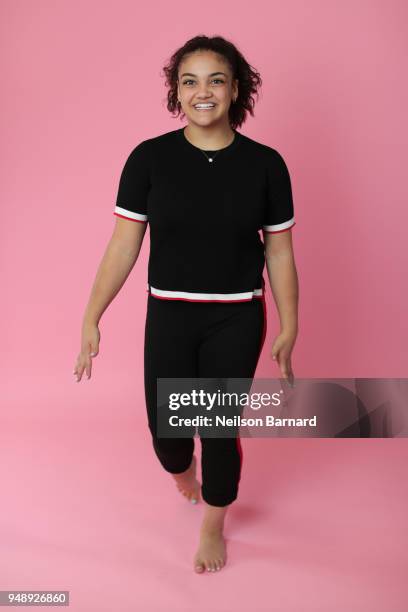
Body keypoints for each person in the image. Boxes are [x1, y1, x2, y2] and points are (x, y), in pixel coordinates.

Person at [73, 35, 299, 574]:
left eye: (216, 80)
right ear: (177, 91)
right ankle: (182, 472)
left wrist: (289, 326)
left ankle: (214, 523)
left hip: (236, 316)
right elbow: (123, 245)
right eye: (189, 81)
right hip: (169, 316)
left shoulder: (266, 165)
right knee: (168, 435)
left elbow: (281, 253)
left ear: (236, 89)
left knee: (218, 428)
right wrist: (91, 317)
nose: (203, 92)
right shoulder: (149, 159)